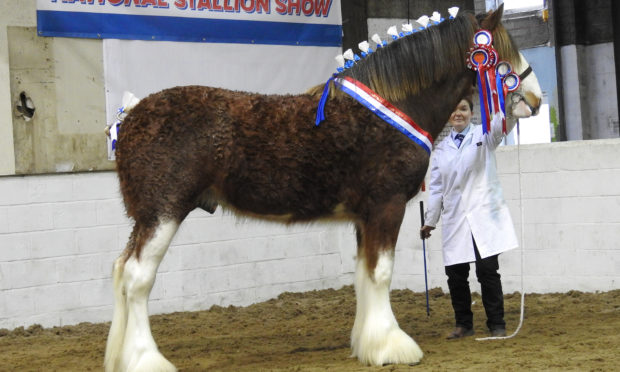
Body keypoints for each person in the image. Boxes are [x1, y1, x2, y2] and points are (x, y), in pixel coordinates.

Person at [420, 96, 518, 339]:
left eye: (463, 109)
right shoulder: (440, 149)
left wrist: (506, 106)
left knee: (487, 271)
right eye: (453, 110)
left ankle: (497, 323)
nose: (458, 114)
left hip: (483, 215)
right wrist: (430, 221)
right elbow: (436, 189)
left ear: (471, 112)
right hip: (455, 218)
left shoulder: (483, 136)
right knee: (455, 275)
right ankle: (463, 324)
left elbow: (500, 127)